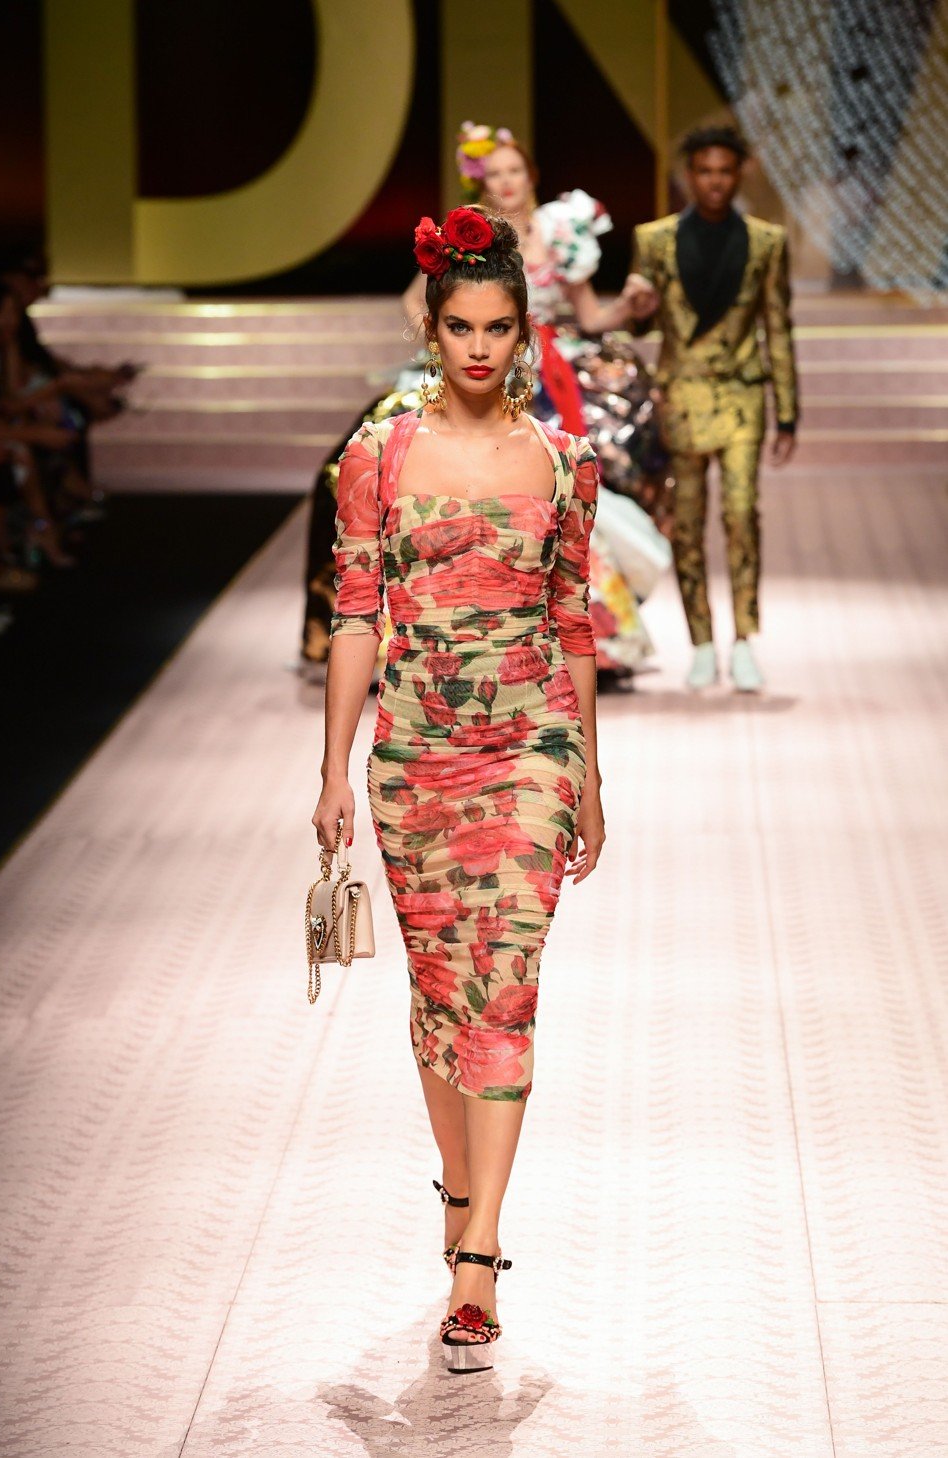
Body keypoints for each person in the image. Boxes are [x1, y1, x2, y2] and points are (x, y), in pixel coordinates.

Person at [312, 208, 605, 1371]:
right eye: (459, 327)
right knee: (445, 995)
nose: (478, 347)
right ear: (431, 330)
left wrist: (586, 771)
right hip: (416, 753)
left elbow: (575, 622)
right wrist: (331, 769)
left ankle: (479, 1250)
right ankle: (459, 1209)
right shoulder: (377, 455)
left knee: (508, 986)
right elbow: (353, 614)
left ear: (524, 332)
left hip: (529, 748)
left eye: (498, 327)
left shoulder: (563, 462)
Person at [299, 122, 664, 681]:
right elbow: (413, 297)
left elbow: (591, 316)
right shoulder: (468, 240)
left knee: (569, 479)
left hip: (547, 380)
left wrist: (633, 307)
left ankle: (579, 636)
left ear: (531, 175)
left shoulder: (561, 230)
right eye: (494, 173)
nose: (507, 181)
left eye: (515, 170)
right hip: (479, 370)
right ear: (480, 182)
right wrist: (447, 344)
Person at [631, 125, 799, 692]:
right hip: (682, 394)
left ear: (739, 173)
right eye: (704, 171)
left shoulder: (767, 240)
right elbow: (644, 320)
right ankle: (701, 640)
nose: (714, 182)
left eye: (724, 171)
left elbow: (778, 326)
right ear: (689, 175)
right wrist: (636, 306)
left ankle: (744, 639)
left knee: (741, 513)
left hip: (744, 393)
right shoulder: (653, 240)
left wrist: (788, 413)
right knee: (690, 522)